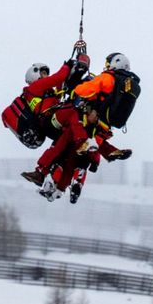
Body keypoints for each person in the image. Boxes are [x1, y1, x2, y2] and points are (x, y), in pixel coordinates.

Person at [22, 52, 134, 200]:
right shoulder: (34, 88)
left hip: (58, 122)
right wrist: (68, 65)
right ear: (34, 76)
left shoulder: (47, 92)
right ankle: (94, 148)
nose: (45, 77)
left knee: (69, 151)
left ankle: (58, 186)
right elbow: (60, 77)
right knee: (75, 112)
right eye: (43, 73)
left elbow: (61, 85)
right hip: (51, 121)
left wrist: (76, 72)